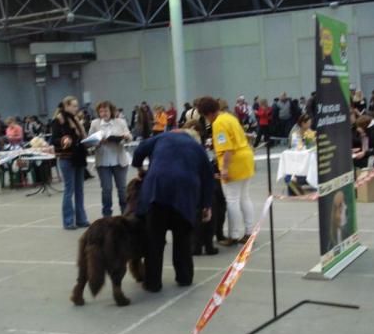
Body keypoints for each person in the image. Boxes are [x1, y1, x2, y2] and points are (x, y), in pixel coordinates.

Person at [132, 130, 213, 291]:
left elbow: (139, 149)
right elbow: (208, 178)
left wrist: (139, 167)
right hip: (184, 194)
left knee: (154, 240)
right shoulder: (198, 148)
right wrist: (207, 206)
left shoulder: (162, 137)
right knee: (182, 239)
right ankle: (184, 277)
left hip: (157, 190)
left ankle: (152, 283)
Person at [197, 96, 255, 246]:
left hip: (233, 162)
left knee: (232, 200)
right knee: (244, 197)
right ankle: (249, 232)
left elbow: (227, 148)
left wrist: (224, 169)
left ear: (208, 113)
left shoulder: (218, 123)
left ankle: (234, 235)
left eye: (204, 116)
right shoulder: (230, 117)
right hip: (246, 159)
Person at [88, 101, 132, 217]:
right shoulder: (94, 123)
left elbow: (129, 137)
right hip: (103, 162)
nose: (103, 113)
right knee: (106, 190)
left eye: (106, 110)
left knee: (122, 190)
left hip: (119, 161)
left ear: (111, 111)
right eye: (101, 111)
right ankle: (107, 217)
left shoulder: (120, 122)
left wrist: (126, 137)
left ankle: (125, 216)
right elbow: (89, 143)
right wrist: (97, 143)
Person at [51, 96, 89, 230]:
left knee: (80, 190)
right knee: (69, 190)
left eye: (76, 105)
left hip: (79, 157)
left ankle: (82, 219)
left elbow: (81, 137)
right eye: (73, 105)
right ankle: (68, 221)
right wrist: (63, 140)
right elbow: (54, 140)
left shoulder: (76, 119)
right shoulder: (59, 120)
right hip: (67, 158)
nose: (76, 108)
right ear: (66, 106)